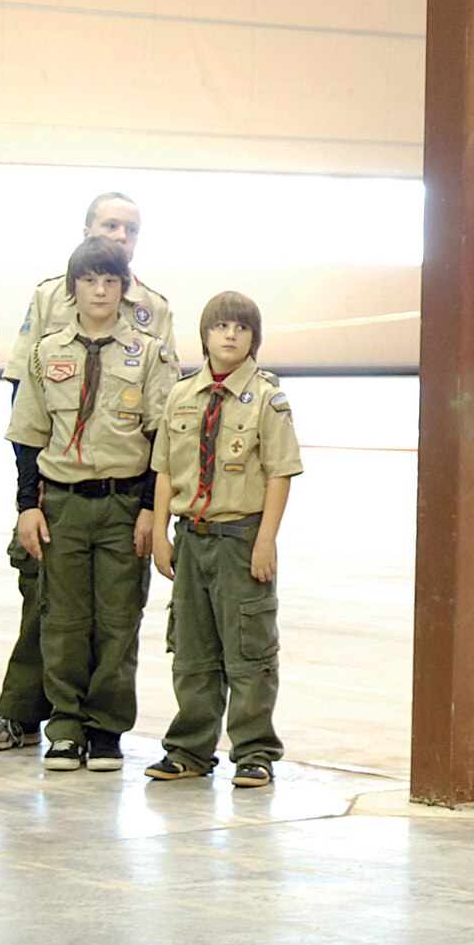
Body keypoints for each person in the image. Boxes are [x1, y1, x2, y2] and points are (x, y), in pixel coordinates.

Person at [0, 191, 177, 753]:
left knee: (113, 615)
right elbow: (26, 390)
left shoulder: (153, 309)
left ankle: (97, 726)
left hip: (121, 486)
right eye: (110, 225)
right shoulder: (50, 295)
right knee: (47, 605)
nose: (120, 236)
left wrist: (151, 507)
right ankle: (27, 715)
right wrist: (30, 496)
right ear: (86, 230)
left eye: (130, 229)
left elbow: (163, 412)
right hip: (57, 482)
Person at [144, 292, 301, 789]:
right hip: (192, 537)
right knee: (192, 651)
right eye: (221, 327)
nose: (230, 335)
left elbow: (280, 473)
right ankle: (189, 749)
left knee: (249, 651)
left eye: (241, 328)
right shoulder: (182, 395)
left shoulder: (267, 399)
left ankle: (254, 751)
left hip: (240, 537)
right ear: (205, 335)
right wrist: (162, 534)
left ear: (255, 338)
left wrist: (266, 539)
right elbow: (164, 470)